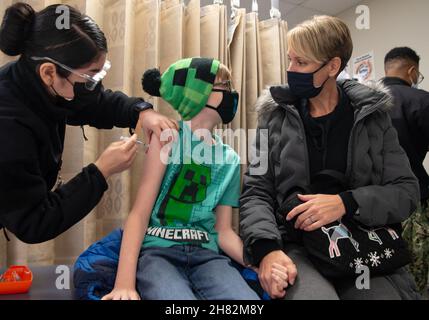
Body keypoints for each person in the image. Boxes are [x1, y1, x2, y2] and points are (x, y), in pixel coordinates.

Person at [240, 15, 421, 300]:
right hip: (297, 245)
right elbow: (256, 192)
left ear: (333, 66)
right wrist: (267, 250)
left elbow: (406, 191)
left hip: (360, 241)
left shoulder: (373, 118)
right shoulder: (273, 119)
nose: (290, 70)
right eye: (290, 60)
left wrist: (345, 203)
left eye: (301, 63)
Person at [101, 57, 285, 300]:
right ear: (198, 92)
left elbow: (223, 231)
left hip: (208, 257)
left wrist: (259, 263)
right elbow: (140, 213)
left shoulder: (230, 159)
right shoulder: (168, 137)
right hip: (159, 253)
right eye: (225, 87)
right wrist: (124, 284)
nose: (232, 94)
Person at [0, 3, 178, 244]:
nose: (93, 86)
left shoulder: (36, 81)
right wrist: (101, 171)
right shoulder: (9, 125)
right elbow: (35, 221)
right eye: (89, 76)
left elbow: (94, 103)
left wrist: (140, 111)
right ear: (49, 72)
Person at [382, 47, 429, 296]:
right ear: (412, 71)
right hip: (412, 196)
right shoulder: (421, 101)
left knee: (381, 258)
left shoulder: (361, 98)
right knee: (415, 260)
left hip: (369, 199)